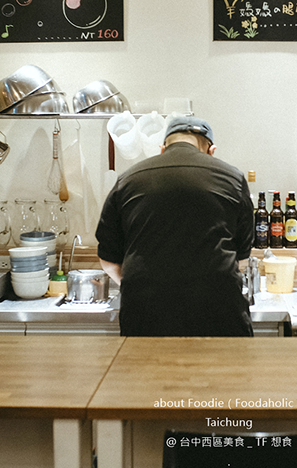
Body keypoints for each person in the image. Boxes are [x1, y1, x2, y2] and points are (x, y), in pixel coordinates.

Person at [95, 115, 254, 337]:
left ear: (162, 148)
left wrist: (140, 286)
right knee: (222, 372)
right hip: (218, 314)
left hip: (147, 317)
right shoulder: (233, 178)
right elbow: (242, 258)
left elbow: (108, 260)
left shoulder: (128, 179)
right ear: (211, 150)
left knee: (147, 372)